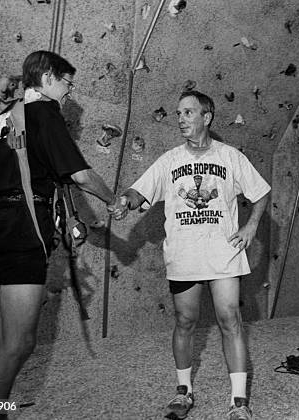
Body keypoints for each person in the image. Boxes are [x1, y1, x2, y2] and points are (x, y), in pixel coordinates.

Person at [0, 50, 122, 418]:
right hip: (24, 231)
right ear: (50, 77)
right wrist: (113, 201)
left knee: (0, 345)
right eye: (68, 83)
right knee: (19, 345)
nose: (69, 92)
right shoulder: (44, 114)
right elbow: (81, 175)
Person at [113, 90, 270, 420]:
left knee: (231, 320)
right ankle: (183, 392)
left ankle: (239, 403)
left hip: (223, 253)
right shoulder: (170, 160)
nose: (181, 118)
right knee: (185, 321)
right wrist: (125, 202)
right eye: (178, 113)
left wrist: (252, 226)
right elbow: (138, 190)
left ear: (206, 117)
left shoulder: (230, 157)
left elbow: (261, 192)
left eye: (188, 112)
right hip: (184, 255)